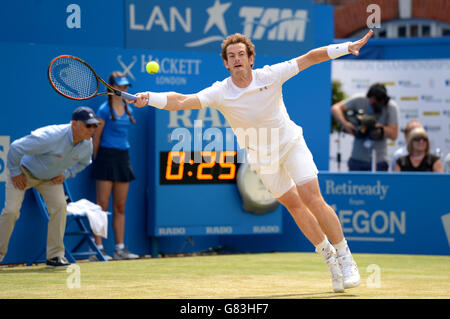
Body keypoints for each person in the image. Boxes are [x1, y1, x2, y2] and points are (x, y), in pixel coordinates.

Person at [131, 30, 374, 292]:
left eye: (241, 55)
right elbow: (182, 101)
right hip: (261, 157)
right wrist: (151, 97)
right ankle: (329, 257)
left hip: (290, 144)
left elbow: (310, 57)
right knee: (293, 205)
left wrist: (346, 46)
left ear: (251, 59)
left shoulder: (271, 74)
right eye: (231, 56)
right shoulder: (220, 92)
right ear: (226, 62)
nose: (236, 59)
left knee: (311, 197)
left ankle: (345, 256)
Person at [0, 107, 100, 267]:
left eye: (94, 125)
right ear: (74, 124)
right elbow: (16, 147)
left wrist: (66, 174)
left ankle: (54, 257)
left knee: (60, 207)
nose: (92, 129)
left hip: (49, 179)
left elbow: (84, 162)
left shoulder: (86, 144)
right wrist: (15, 171)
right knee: (11, 211)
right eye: (88, 125)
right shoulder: (51, 136)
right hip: (24, 174)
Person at [90, 71, 139, 261]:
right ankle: (99, 248)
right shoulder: (103, 110)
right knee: (101, 205)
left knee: (120, 206)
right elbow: (96, 138)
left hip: (123, 158)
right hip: (105, 156)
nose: (123, 89)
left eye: (126, 86)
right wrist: (97, 162)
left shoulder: (129, 108)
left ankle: (120, 249)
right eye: (120, 86)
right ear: (111, 88)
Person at [331, 82, 399, 171]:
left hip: (379, 160)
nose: (377, 104)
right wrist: (346, 124)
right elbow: (335, 108)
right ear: (369, 97)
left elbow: (394, 135)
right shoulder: (360, 99)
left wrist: (376, 126)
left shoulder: (390, 106)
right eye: (374, 102)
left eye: (379, 102)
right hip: (357, 158)